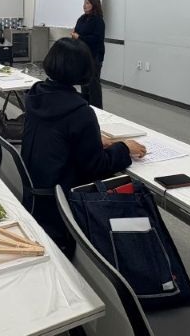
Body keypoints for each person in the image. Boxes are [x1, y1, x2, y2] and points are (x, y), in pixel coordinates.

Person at [22, 38, 146, 252]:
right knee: (137, 188)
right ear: (84, 70)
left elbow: (57, 136)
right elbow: (95, 166)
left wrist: (91, 140)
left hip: (37, 190)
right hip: (62, 199)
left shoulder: (36, 94)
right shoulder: (80, 112)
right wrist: (124, 148)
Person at [72, 0, 105, 108]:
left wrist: (79, 37)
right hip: (82, 54)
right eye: (84, 3)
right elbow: (77, 31)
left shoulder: (98, 21)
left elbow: (96, 39)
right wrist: (74, 35)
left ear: (94, 5)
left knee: (93, 84)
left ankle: (97, 109)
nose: (84, 5)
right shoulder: (82, 18)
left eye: (87, 3)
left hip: (94, 56)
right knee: (84, 83)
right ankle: (85, 107)